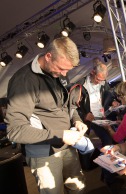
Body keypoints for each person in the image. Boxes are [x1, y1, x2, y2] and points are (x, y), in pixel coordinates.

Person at [5, 37, 87, 194]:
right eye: (61, 68)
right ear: (48, 56)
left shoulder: (59, 73)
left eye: (67, 70)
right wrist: (61, 134)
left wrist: (77, 120)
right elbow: (15, 131)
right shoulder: (24, 81)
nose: (64, 73)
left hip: (68, 147)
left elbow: (67, 106)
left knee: (77, 187)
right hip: (43, 154)